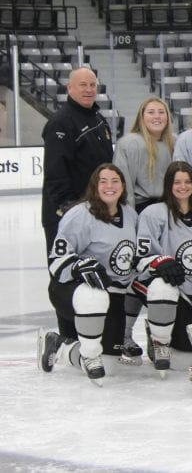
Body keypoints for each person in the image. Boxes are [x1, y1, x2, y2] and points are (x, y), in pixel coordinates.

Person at [38, 163, 138, 385]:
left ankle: (61, 346)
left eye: (115, 181)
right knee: (95, 297)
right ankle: (87, 354)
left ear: (123, 185)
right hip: (72, 291)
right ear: (94, 186)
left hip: (112, 295)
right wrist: (79, 266)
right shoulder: (79, 215)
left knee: (110, 366)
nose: (109, 186)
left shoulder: (130, 215)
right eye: (103, 181)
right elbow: (56, 261)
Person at [126, 160, 192, 371]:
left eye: (188, 181)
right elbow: (140, 258)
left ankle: (157, 333)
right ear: (169, 185)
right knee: (159, 287)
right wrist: (160, 262)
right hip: (167, 291)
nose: (183, 186)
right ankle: (158, 339)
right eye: (177, 182)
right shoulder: (153, 213)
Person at [41, 67, 113, 257]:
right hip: (68, 214)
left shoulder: (97, 118)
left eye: (92, 85)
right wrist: (68, 209)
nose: (89, 89)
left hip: (95, 209)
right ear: (69, 88)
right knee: (65, 274)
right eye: (83, 85)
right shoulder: (61, 122)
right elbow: (55, 172)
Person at [114, 97, 176, 212]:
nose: (157, 116)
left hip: (170, 206)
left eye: (161, 112)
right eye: (151, 112)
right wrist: (129, 215)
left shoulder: (175, 142)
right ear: (141, 117)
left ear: (167, 118)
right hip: (141, 207)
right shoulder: (130, 143)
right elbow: (125, 185)